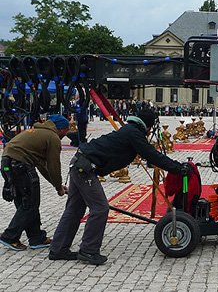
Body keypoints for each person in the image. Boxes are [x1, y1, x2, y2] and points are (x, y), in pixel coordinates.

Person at [49, 109, 191, 264]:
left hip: (79, 164)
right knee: (100, 208)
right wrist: (178, 169)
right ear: (148, 126)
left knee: (74, 210)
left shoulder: (130, 130)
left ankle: (59, 249)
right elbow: (153, 155)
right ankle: (89, 250)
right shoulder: (134, 134)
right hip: (85, 169)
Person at [0, 114, 70, 251]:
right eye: (67, 130)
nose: (66, 134)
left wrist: (57, 185)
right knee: (29, 205)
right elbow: (54, 165)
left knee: (25, 202)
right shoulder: (53, 137)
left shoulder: (38, 132)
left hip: (8, 164)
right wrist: (58, 187)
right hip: (21, 166)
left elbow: (42, 166)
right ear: (60, 129)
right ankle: (9, 236)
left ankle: (36, 237)